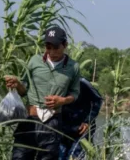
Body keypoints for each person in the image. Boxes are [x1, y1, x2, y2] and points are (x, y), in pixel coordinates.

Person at [5, 26, 82, 160]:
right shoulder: (34, 61)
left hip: (52, 123)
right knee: (19, 157)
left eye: (56, 47)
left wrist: (62, 101)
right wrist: (17, 85)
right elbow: (24, 90)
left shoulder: (73, 67)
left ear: (65, 45)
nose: (51, 51)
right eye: (48, 47)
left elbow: (75, 93)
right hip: (29, 120)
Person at [59, 78, 103, 160]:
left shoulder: (82, 83)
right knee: (60, 156)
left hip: (82, 129)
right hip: (64, 129)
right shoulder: (57, 83)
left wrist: (88, 121)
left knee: (76, 156)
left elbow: (98, 99)